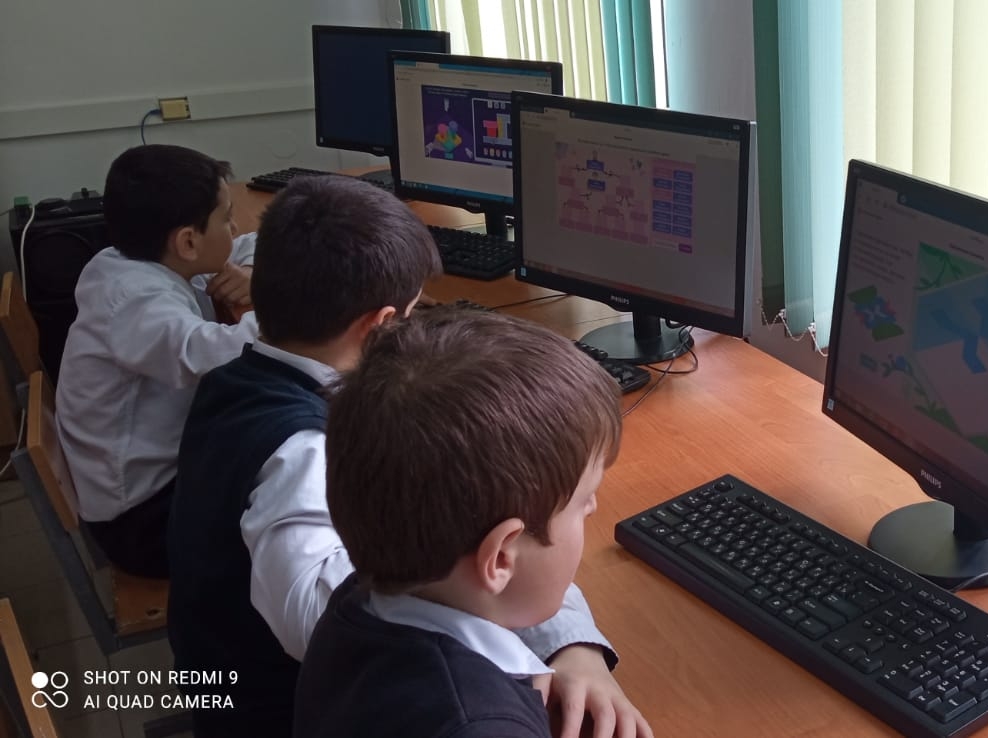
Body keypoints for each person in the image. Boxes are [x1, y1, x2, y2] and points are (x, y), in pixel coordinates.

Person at [295, 308, 650, 738]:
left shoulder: (361, 602)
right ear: (499, 558)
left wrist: (563, 652)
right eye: (581, 501)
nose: (592, 507)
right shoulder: (478, 725)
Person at [56, 144, 257, 578]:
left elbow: (248, 244)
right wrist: (295, 302)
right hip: (142, 522)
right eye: (226, 217)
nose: (235, 226)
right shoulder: (135, 301)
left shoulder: (135, 261)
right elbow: (216, 356)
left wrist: (254, 273)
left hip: (150, 483)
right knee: (291, 468)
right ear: (187, 242)